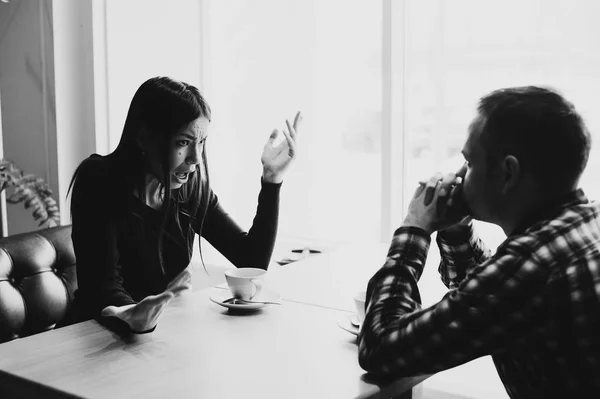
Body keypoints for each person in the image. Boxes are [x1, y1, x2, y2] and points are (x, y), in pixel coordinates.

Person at [358, 86, 600, 398]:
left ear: (508, 173)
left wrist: (415, 228)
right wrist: (458, 232)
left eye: (469, 163)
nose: (459, 176)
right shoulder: (584, 223)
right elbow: (492, 299)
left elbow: (381, 349)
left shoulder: (530, 263)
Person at [68, 76, 302, 334]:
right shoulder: (99, 179)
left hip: (152, 337)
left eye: (201, 142)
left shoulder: (189, 189)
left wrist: (272, 181)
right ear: (144, 137)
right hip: (92, 337)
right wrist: (135, 314)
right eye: (183, 142)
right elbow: (104, 288)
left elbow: (252, 260)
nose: (196, 159)